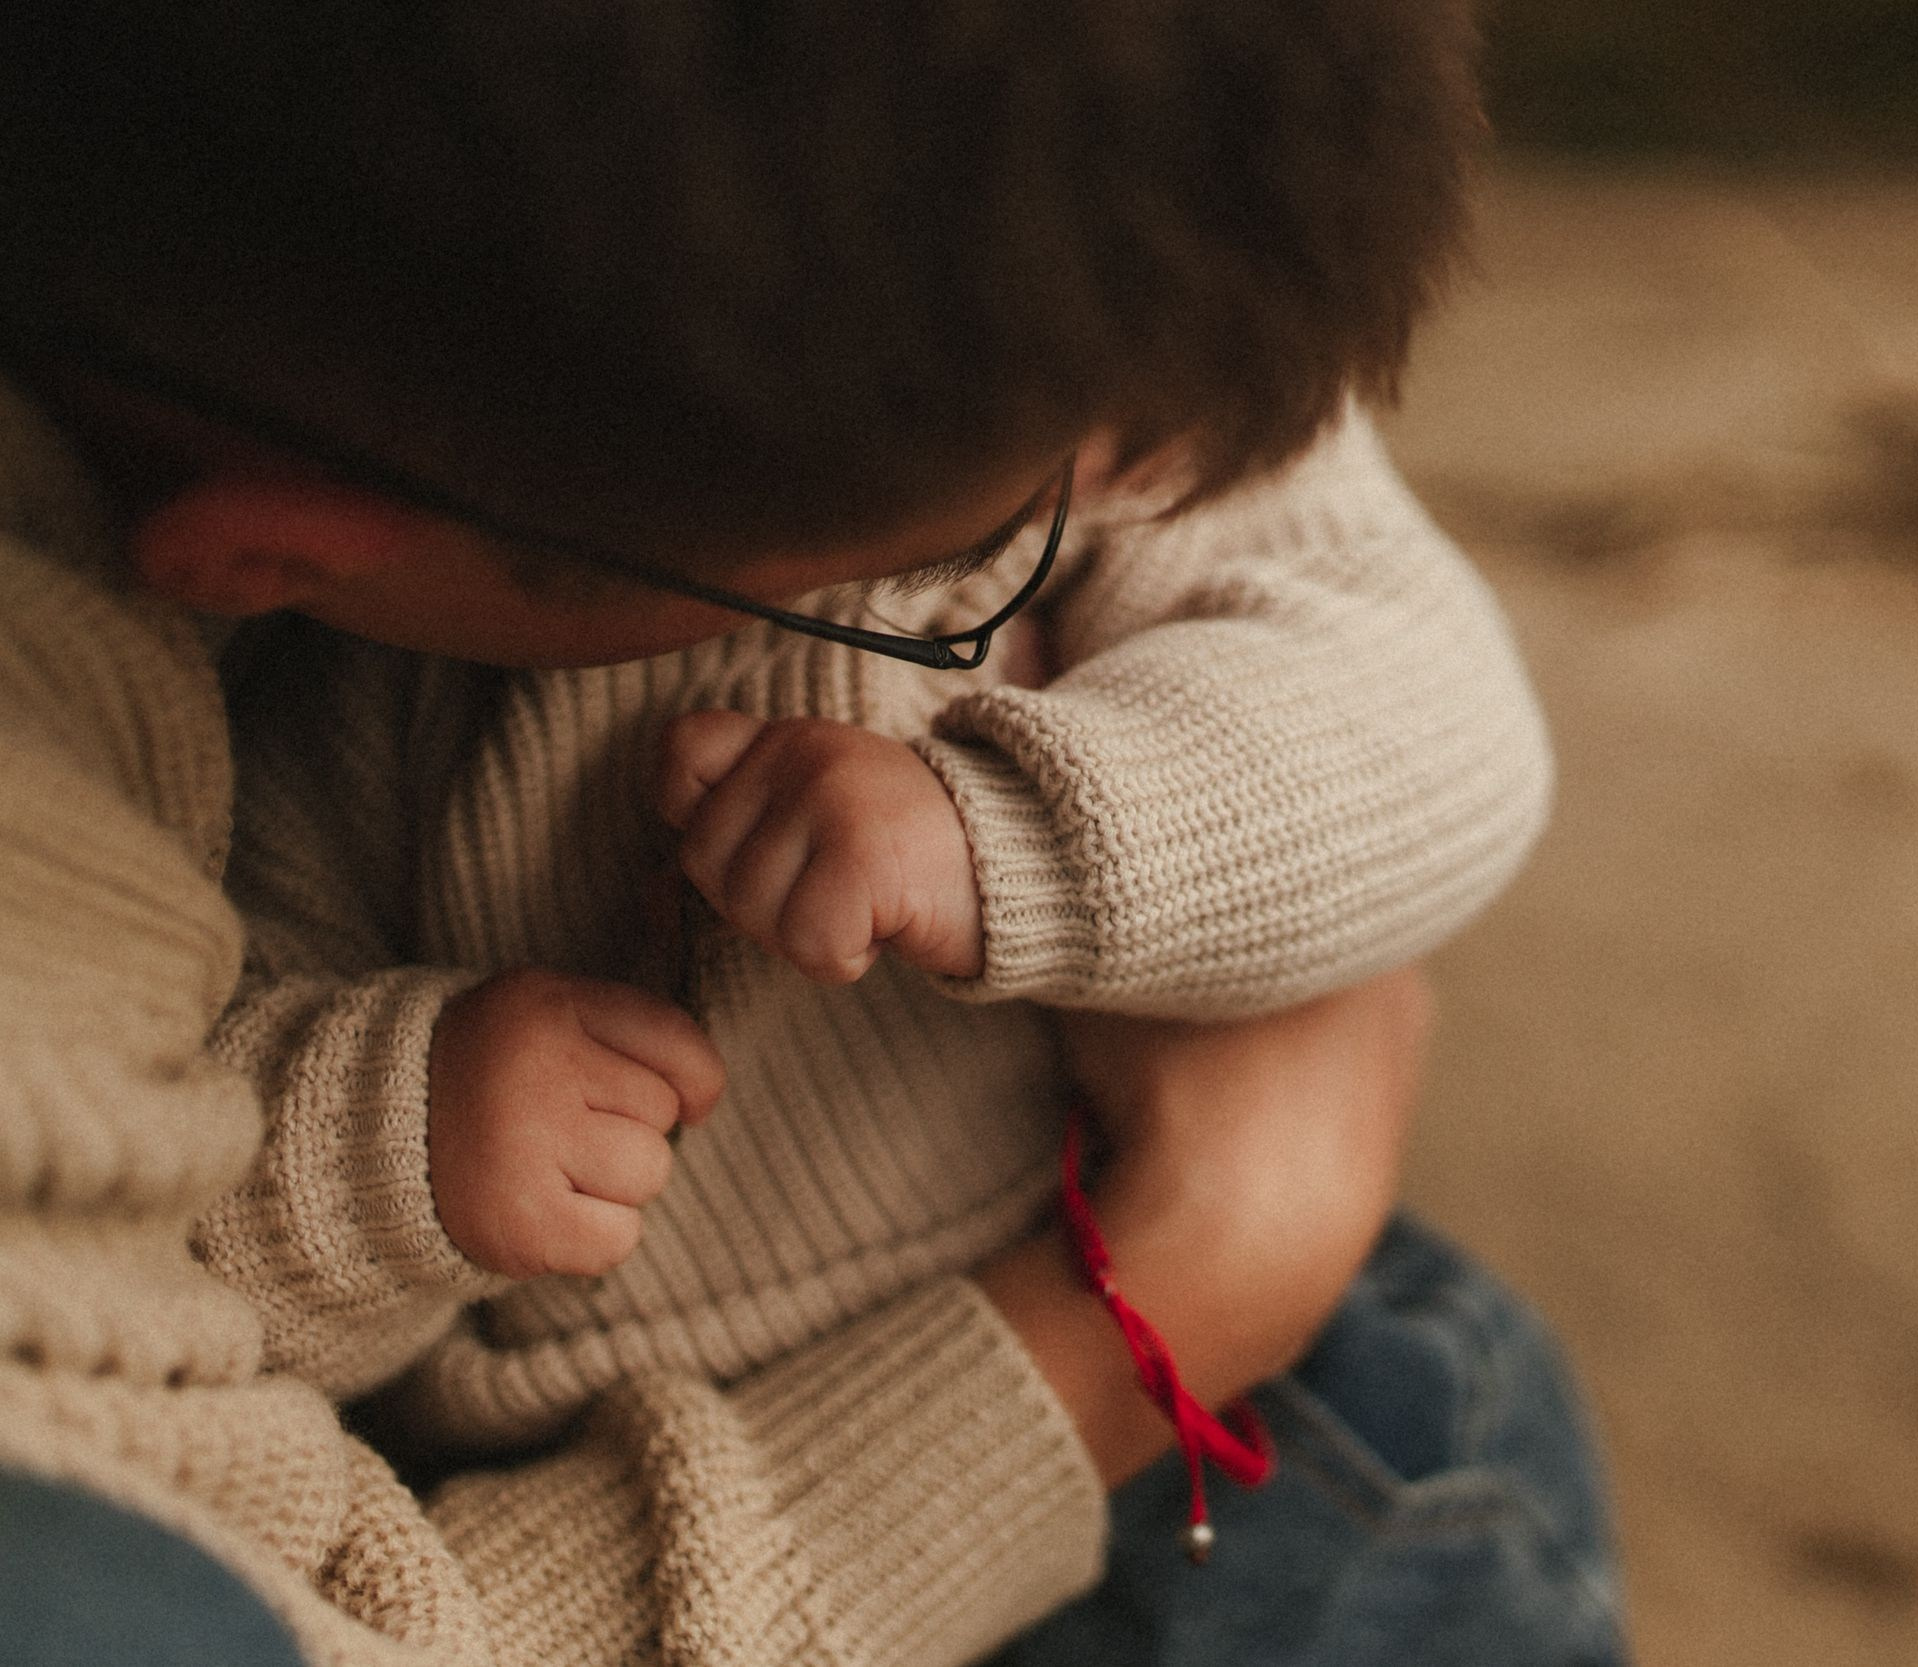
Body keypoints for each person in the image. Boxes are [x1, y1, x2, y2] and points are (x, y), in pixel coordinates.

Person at [0, 4, 1622, 1664]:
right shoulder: (243, 745)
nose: (1121, 478)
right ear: (279, 561)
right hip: (637, 1482)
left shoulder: (1085, 325)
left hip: (1248, 1483)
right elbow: (180, 1236)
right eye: (993, 523)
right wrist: (394, 1136)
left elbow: (1431, 712)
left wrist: (1009, 831)